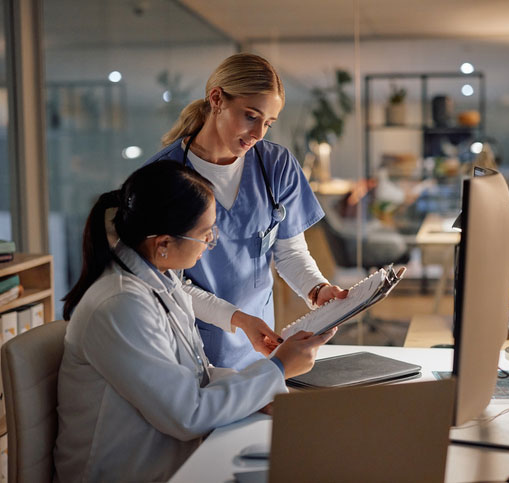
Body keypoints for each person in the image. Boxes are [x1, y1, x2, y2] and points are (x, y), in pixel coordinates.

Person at [54, 161, 335, 482]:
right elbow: (187, 414)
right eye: (205, 234)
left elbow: (195, 377)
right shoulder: (121, 305)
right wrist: (278, 369)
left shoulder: (162, 281)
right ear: (162, 244)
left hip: (167, 458)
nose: (211, 242)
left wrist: (260, 393)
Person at [147, 53, 347, 370]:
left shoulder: (276, 165)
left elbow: (290, 252)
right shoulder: (163, 177)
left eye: (268, 123)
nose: (258, 134)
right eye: (251, 116)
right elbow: (170, 282)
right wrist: (238, 319)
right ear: (216, 99)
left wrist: (317, 288)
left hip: (261, 346)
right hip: (191, 351)